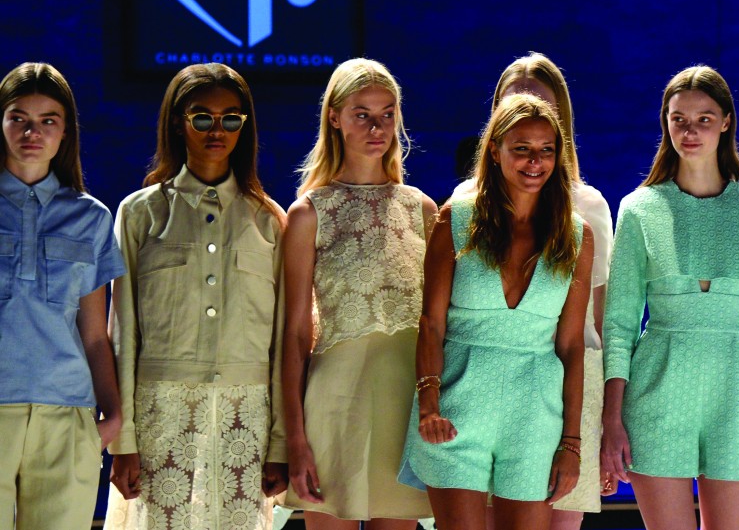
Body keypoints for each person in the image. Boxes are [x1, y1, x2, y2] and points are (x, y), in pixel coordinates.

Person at [600, 65, 739, 530]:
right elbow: (620, 323)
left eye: (704, 118)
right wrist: (611, 421)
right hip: (656, 392)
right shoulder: (639, 208)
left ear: (727, 121)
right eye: (679, 119)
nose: (690, 131)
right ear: (665, 124)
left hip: (736, 394)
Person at [105, 63, 288, 530]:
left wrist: (280, 443)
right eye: (201, 117)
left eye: (231, 118)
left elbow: (284, 342)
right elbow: (122, 336)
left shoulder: (268, 220)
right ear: (177, 122)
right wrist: (122, 440)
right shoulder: (140, 214)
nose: (217, 130)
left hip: (245, 418)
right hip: (159, 414)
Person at [400, 93, 594, 530]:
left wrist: (572, 443)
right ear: (495, 149)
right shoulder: (455, 219)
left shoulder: (576, 237)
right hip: (454, 413)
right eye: (521, 148)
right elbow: (431, 324)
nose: (534, 162)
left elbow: (571, 347)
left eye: (546, 150)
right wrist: (429, 405)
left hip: (534, 416)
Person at [451, 52, 614, 528]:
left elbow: (597, 326)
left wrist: (598, 425)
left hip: (565, 395)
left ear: (559, 117)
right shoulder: (464, 203)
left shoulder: (588, 207)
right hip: (479, 392)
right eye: (513, 100)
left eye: (538, 101)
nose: (527, 109)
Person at [281, 58, 436, 529]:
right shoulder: (310, 213)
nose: (377, 127)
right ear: (334, 116)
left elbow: (438, 326)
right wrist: (295, 440)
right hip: (333, 402)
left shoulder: (424, 210)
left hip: (403, 403)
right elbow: (293, 335)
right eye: (362, 113)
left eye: (387, 114)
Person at [0, 62, 125, 530]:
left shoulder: (90, 218)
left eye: (47, 120)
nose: (33, 132)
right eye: (19, 118)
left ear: (66, 130)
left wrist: (113, 415)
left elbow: (94, 334)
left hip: (66, 413)